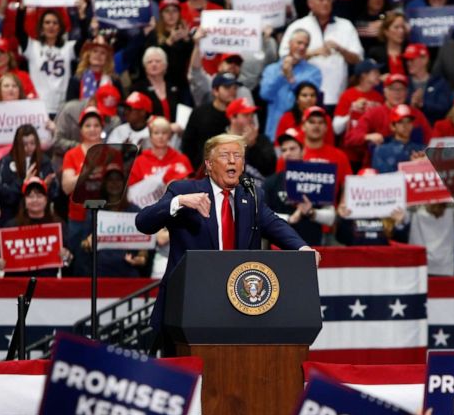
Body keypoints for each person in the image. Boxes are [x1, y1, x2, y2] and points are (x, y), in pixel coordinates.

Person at [135, 133, 318, 335]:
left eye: (238, 156)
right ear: (209, 164)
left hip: (237, 302)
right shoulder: (184, 190)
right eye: (225, 155)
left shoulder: (252, 195)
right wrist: (179, 202)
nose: (232, 160)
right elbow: (143, 222)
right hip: (190, 302)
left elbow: (274, 224)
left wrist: (303, 248)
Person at [278, 0, 363, 109]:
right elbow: (285, 58)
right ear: (310, 3)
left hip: (336, 95)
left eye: (328, 0)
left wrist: (341, 50)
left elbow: (358, 59)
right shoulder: (297, 26)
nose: (325, 3)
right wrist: (313, 53)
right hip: (304, 98)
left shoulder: (346, 25)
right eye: (321, 0)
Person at [262, 128, 335, 247]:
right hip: (279, 249)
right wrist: (290, 218)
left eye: (292, 148)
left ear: (303, 151)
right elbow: (263, 216)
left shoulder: (319, 177)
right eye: (284, 150)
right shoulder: (271, 182)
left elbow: (331, 218)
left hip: (312, 246)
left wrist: (311, 212)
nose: (288, 153)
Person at [61, 107, 107, 276]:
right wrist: (88, 170)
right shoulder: (72, 154)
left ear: (102, 128)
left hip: (104, 217)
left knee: (101, 263)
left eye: (96, 125)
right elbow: (67, 186)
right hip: (78, 217)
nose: (92, 129)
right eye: (88, 125)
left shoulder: (111, 152)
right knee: (78, 263)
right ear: (80, 129)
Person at [0, 176, 70, 277]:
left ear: (46, 200)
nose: (35, 200)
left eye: (39, 196)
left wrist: (66, 257)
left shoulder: (58, 225)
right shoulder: (11, 226)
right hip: (17, 282)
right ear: (24, 201)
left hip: (47, 282)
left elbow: (69, 260)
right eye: (30, 196)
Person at [259, 29, 322, 142]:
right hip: (275, 129)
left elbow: (310, 98)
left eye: (306, 45)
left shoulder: (313, 72)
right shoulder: (272, 69)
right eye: (299, 43)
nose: (302, 47)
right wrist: (281, 74)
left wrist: (291, 78)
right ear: (289, 43)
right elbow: (265, 95)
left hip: (303, 131)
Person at [0, 123, 60, 226]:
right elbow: (2, 194)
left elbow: (55, 193)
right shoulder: (5, 162)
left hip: (40, 218)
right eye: (24, 144)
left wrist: (46, 187)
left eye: (32, 143)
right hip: (12, 217)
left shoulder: (44, 161)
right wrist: (22, 183)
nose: (29, 147)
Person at [19, 8, 76, 117]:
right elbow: (19, 31)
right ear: (41, 27)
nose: (51, 26)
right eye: (47, 22)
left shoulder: (68, 47)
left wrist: (81, 16)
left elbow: (83, 39)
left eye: (55, 23)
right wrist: (22, 10)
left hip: (61, 107)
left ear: (60, 28)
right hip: (37, 106)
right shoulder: (32, 46)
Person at [181, 73, 240, 171]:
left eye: (234, 88)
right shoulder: (200, 113)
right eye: (227, 87)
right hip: (203, 170)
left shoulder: (240, 114)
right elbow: (188, 144)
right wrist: (195, 168)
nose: (232, 91)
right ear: (215, 91)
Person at [129, 46, 192, 127]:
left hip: (176, 134)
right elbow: (134, 117)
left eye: (158, 61)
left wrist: (179, 127)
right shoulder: (137, 89)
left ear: (165, 65)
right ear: (145, 67)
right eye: (149, 62)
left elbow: (184, 110)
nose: (154, 64)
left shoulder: (174, 87)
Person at [128, 116, 193, 186]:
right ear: (150, 136)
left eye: (164, 133)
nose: (160, 136)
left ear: (170, 136)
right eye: (156, 133)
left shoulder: (182, 159)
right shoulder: (139, 162)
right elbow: (132, 191)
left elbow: (191, 187)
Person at [405, 44, 452, 125]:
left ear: (425, 59)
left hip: (432, 129)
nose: (409, 63)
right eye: (407, 60)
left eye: (412, 60)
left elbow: (444, 108)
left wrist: (422, 104)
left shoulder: (439, 83)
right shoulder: (404, 82)